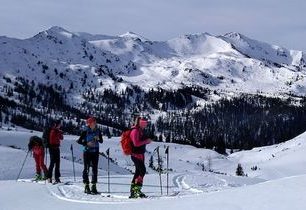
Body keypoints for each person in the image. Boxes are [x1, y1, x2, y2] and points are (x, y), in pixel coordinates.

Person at [77, 117, 103, 194]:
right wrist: (86, 143)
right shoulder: (85, 131)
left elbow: (101, 141)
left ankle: (94, 186)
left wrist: (98, 139)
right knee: (86, 168)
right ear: (90, 123)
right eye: (94, 122)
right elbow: (79, 141)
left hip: (95, 151)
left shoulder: (98, 130)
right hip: (87, 152)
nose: (95, 123)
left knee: (95, 169)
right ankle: (86, 185)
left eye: (95, 122)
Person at [129, 116, 152, 198]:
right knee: (142, 171)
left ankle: (134, 191)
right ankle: (136, 190)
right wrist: (146, 141)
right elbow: (136, 143)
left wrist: (146, 140)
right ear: (141, 123)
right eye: (144, 123)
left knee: (138, 172)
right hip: (135, 155)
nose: (146, 125)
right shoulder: (135, 131)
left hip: (139, 154)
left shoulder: (139, 131)